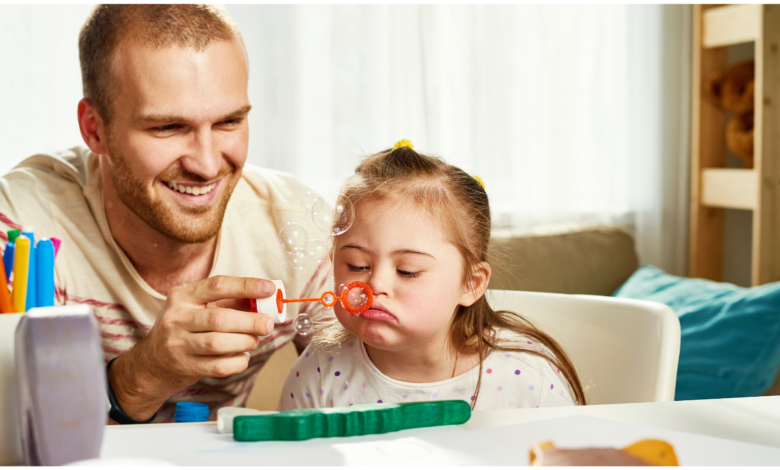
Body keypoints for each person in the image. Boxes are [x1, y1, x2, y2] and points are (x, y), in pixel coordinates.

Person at [0, 4, 329, 423]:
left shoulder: (296, 225)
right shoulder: (23, 233)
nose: (207, 166)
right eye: (167, 128)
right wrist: (143, 376)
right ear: (95, 129)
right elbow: (18, 435)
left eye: (229, 122)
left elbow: (367, 401)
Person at [279, 140, 585, 411]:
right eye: (357, 265)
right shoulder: (320, 370)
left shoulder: (528, 378)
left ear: (471, 284)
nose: (376, 285)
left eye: (407, 271)